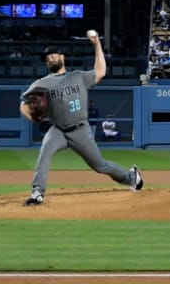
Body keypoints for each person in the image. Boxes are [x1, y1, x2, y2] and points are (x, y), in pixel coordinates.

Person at [20, 32, 143, 206]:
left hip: (80, 130)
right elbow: (23, 105)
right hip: (58, 130)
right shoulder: (41, 83)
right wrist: (31, 118)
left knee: (100, 166)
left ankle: (131, 177)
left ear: (62, 57)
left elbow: (100, 72)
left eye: (53, 55)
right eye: (47, 58)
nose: (50, 59)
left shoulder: (78, 77)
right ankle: (37, 193)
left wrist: (96, 45)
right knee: (44, 153)